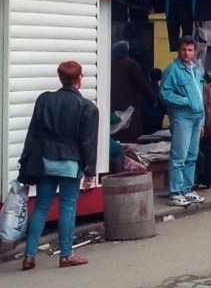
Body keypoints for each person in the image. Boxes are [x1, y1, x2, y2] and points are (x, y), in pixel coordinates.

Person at [18, 61, 98, 270]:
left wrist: (25, 161)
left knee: (42, 206)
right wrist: (90, 171)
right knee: (67, 206)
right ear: (80, 78)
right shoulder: (87, 107)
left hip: (44, 160)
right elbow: (88, 142)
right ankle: (66, 255)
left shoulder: (44, 99)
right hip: (70, 162)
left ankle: (29, 255)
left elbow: (32, 133)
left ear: (60, 78)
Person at [160, 37, 206, 207]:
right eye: (183, 50)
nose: (186, 53)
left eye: (190, 50)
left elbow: (201, 97)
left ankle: (187, 189)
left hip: (196, 118)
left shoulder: (195, 70)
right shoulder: (172, 70)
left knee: (192, 156)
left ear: (195, 51)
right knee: (179, 156)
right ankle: (175, 192)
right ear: (179, 51)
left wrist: (202, 121)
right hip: (181, 118)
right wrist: (186, 101)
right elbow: (165, 95)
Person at [110, 40, 158, 144]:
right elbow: (142, 83)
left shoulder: (110, 65)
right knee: (130, 132)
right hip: (129, 105)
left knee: (116, 130)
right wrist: (153, 99)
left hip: (113, 104)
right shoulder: (130, 64)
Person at [138, 67, 166, 136]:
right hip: (158, 118)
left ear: (149, 76)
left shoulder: (143, 91)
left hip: (145, 119)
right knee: (158, 138)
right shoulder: (160, 91)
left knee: (145, 138)